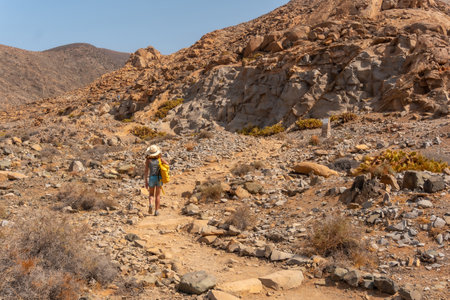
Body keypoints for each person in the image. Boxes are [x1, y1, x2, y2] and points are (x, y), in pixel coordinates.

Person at [144, 145, 168, 216]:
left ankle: (150, 204)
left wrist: (146, 181)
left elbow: (146, 171)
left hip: (151, 178)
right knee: (157, 195)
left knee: (151, 194)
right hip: (159, 178)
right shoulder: (160, 159)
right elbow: (167, 164)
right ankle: (156, 211)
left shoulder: (148, 160)